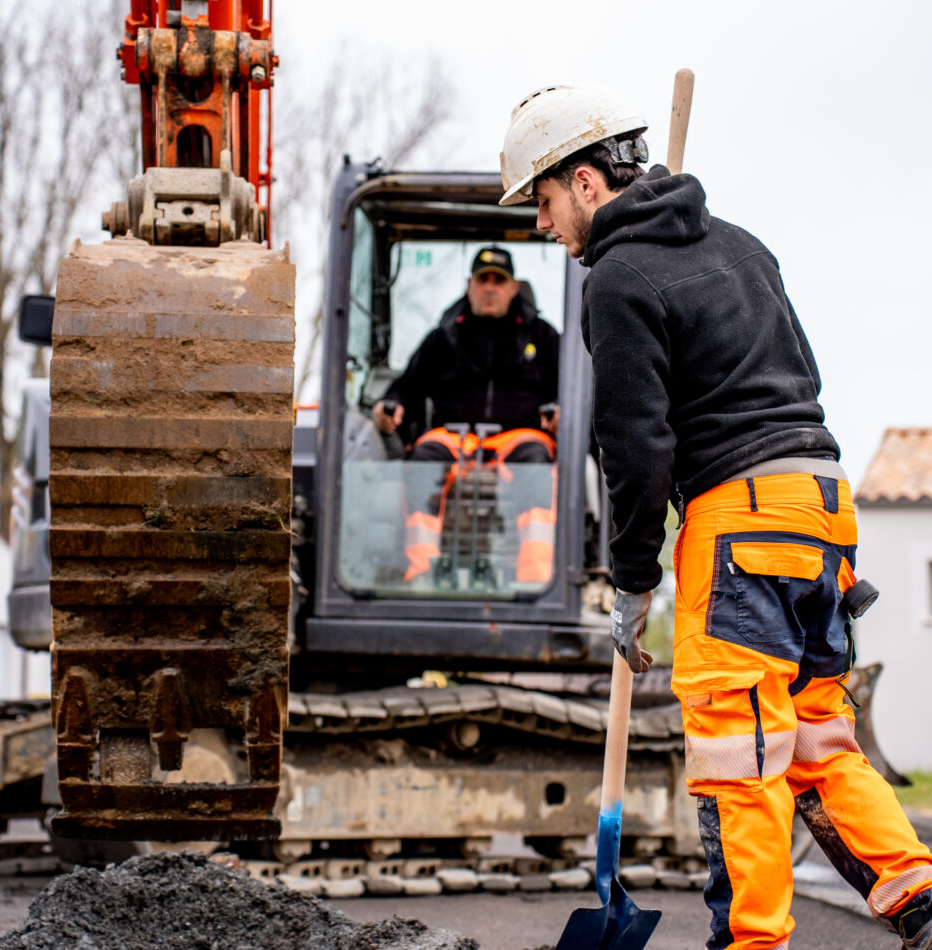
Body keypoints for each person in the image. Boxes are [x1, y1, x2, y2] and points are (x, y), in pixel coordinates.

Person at [499, 84, 932, 949]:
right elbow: (801, 379)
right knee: (816, 739)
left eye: (543, 203)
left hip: (740, 526)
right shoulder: (742, 246)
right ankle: (914, 889)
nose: (543, 226)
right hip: (823, 512)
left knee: (741, 760)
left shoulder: (618, 280)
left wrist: (629, 582)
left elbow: (636, 448)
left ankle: (752, 941)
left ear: (586, 182)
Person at [372, 246, 560, 585]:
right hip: (454, 437)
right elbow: (408, 384)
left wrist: (560, 410)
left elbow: (569, 386)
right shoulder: (445, 336)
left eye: (498, 281)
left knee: (537, 461)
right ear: (468, 285)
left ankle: (536, 579)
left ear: (513, 287)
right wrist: (392, 403)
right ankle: (421, 571)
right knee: (424, 458)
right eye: (482, 279)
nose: (490, 287)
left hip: (518, 437)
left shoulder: (542, 336)